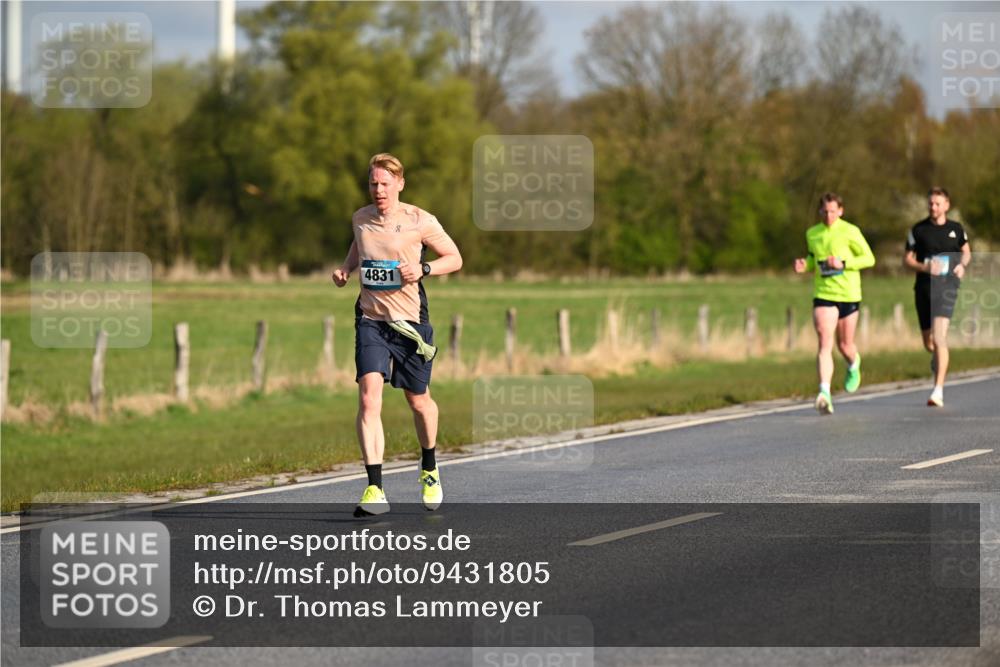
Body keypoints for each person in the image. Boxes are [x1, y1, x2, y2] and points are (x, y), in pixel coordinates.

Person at [332, 153, 463, 516]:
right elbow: (360, 244)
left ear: (400, 184)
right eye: (373, 184)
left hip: (410, 323)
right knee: (369, 398)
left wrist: (422, 269)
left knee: (418, 401)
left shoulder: (420, 220)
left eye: (385, 184)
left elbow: (455, 257)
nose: (378, 190)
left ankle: (430, 466)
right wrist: (346, 269)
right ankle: (375, 488)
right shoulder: (361, 217)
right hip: (371, 320)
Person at [794, 193, 875, 414]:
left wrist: (844, 263)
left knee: (845, 345)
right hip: (824, 293)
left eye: (833, 211)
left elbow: (869, 258)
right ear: (820, 212)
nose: (828, 215)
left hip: (849, 294)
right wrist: (805, 264)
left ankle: (853, 363)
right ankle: (824, 392)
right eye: (825, 211)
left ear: (840, 211)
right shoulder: (813, 233)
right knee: (824, 341)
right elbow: (813, 258)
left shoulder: (850, 231)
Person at [903, 187, 971, 407]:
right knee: (929, 341)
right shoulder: (918, 230)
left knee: (940, 337)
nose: (933, 207)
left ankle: (938, 390)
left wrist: (962, 265)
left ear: (946, 205)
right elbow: (907, 260)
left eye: (937, 203)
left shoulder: (956, 229)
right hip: (924, 288)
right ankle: (936, 357)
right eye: (930, 203)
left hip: (947, 287)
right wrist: (925, 266)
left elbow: (966, 252)